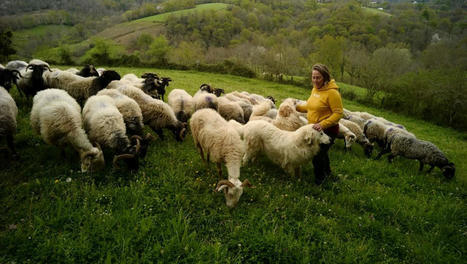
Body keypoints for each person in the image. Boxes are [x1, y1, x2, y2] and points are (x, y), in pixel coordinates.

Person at [296, 63, 343, 185]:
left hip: (328, 130)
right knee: (322, 154)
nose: (315, 80)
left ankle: (319, 181)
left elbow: (338, 113)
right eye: (313, 77)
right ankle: (328, 174)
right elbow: (310, 106)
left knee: (317, 155)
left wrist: (323, 124)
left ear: (325, 78)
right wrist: (297, 108)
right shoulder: (315, 89)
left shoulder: (332, 93)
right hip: (314, 128)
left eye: (318, 77)